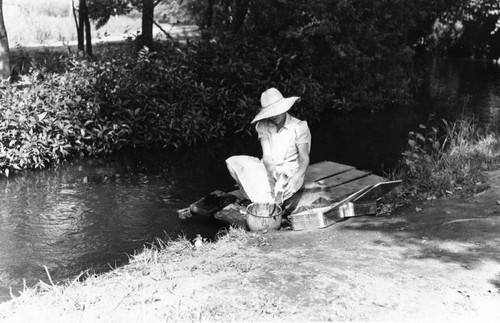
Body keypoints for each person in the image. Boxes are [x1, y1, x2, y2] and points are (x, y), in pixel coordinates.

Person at [226, 87, 311, 205]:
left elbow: (304, 158)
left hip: (290, 171)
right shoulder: (263, 126)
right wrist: (273, 172)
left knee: (279, 188)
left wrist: (296, 177)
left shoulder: (299, 126)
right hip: (270, 168)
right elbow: (266, 156)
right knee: (233, 162)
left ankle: (273, 195)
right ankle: (260, 193)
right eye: (270, 113)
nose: (274, 116)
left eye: (277, 111)